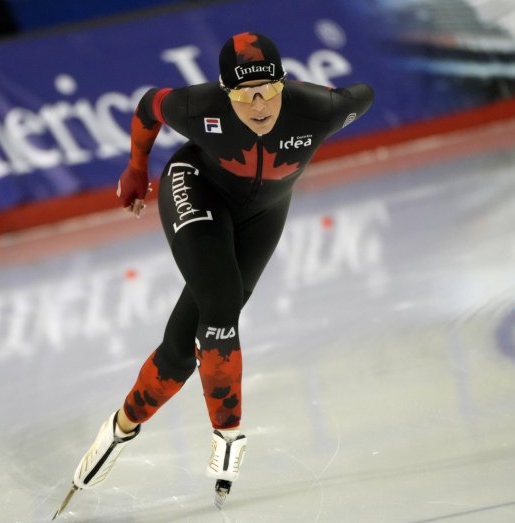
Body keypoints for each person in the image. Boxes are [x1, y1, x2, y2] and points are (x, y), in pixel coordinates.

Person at [60, 31, 374, 511]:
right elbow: (149, 106)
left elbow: (363, 96)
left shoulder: (321, 108)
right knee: (222, 301)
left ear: (284, 84)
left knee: (186, 345)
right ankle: (229, 435)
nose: (258, 103)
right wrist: (137, 167)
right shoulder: (196, 106)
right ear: (224, 92)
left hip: (265, 213)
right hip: (196, 187)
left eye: (268, 89)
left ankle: (121, 426)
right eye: (244, 93)